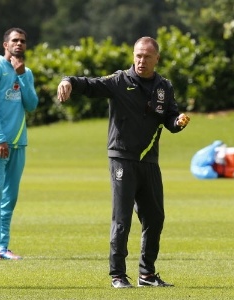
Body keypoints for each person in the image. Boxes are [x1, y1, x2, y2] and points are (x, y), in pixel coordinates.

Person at [57, 36, 190, 288]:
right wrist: (67, 81)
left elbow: (169, 118)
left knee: (155, 218)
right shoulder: (119, 81)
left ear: (156, 59)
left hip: (149, 161)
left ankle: (147, 275)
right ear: (133, 56)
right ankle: (117, 275)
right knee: (122, 219)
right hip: (122, 159)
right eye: (138, 55)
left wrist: (178, 121)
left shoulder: (164, 87)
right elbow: (90, 84)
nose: (141, 61)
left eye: (147, 56)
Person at [0, 27, 39, 261]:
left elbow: (32, 104)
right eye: (14, 40)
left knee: (10, 196)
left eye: (23, 41)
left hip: (19, 142)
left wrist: (23, 75)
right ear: (5, 44)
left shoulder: (26, 72)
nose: (19, 44)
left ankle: (4, 247)